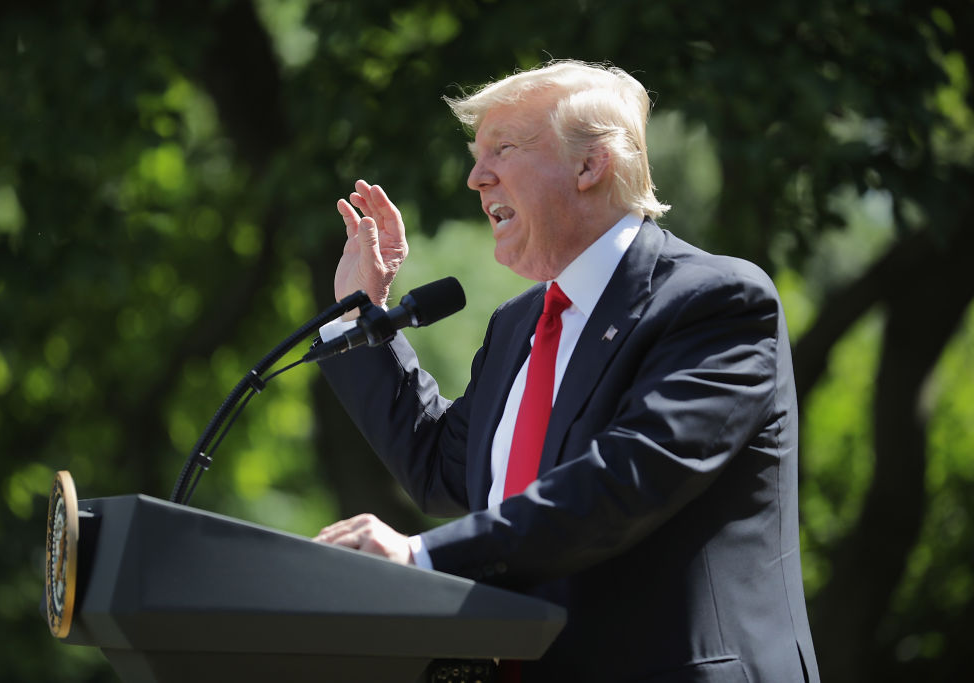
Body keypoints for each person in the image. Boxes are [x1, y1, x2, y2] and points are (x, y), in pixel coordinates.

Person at [314, 60, 820, 682]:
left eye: (503, 148)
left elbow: (626, 479)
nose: (476, 177)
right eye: (476, 155)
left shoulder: (716, 301)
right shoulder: (517, 325)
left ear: (590, 165)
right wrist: (360, 316)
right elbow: (439, 469)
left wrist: (421, 556)